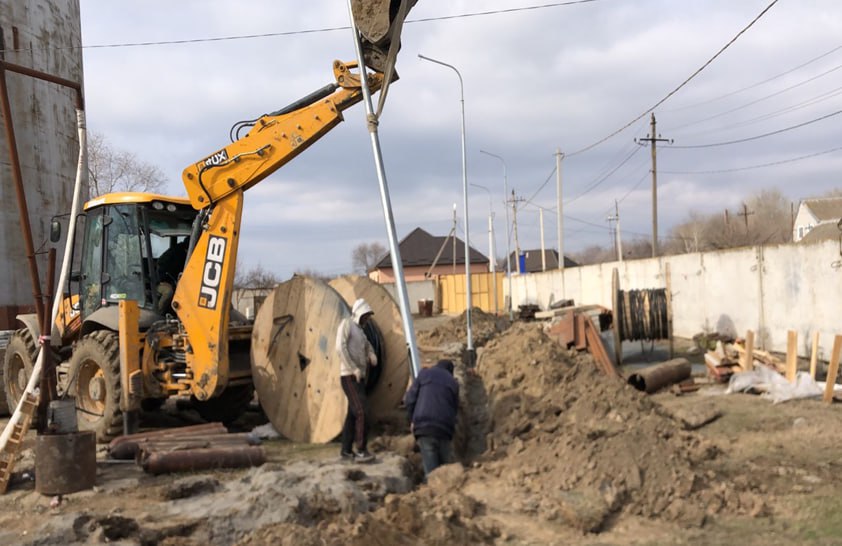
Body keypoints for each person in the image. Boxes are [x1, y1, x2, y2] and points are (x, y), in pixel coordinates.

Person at [336, 298, 378, 463]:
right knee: (362, 411)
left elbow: (367, 345)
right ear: (359, 313)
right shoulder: (347, 325)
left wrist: (371, 354)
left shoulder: (360, 331)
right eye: (366, 315)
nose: (367, 319)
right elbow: (340, 347)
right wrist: (353, 368)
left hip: (359, 376)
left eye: (368, 316)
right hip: (349, 376)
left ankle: (346, 451)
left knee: (352, 415)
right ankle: (361, 450)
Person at [404, 359, 459, 478]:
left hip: (424, 428)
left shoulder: (424, 374)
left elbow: (409, 400)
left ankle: (431, 491)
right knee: (445, 472)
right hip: (445, 430)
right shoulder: (453, 382)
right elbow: (455, 410)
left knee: (432, 473)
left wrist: (412, 420)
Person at [156, 238, 189, 314]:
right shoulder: (175, 254)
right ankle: (158, 312)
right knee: (168, 291)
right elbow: (160, 264)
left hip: (173, 279)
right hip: (159, 281)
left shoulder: (181, 253)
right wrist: (162, 280)